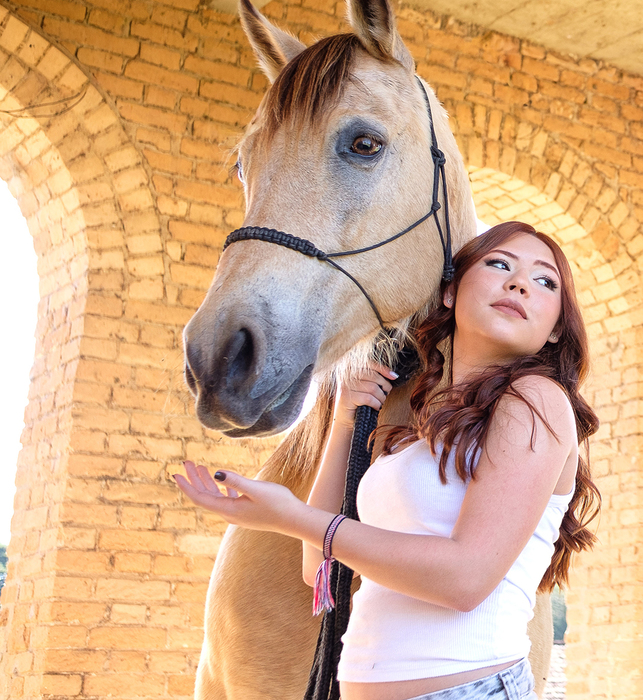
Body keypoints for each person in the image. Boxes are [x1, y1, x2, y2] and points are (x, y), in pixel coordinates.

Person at [175, 220, 600, 700]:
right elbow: (321, 567)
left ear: (555, 329)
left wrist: (289, 516)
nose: (520, 283)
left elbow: (465, 579)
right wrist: (343, 425)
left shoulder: (536, 400)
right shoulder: (418, 433)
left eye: (545, 281)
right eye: (499, 264)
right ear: (450, 292)